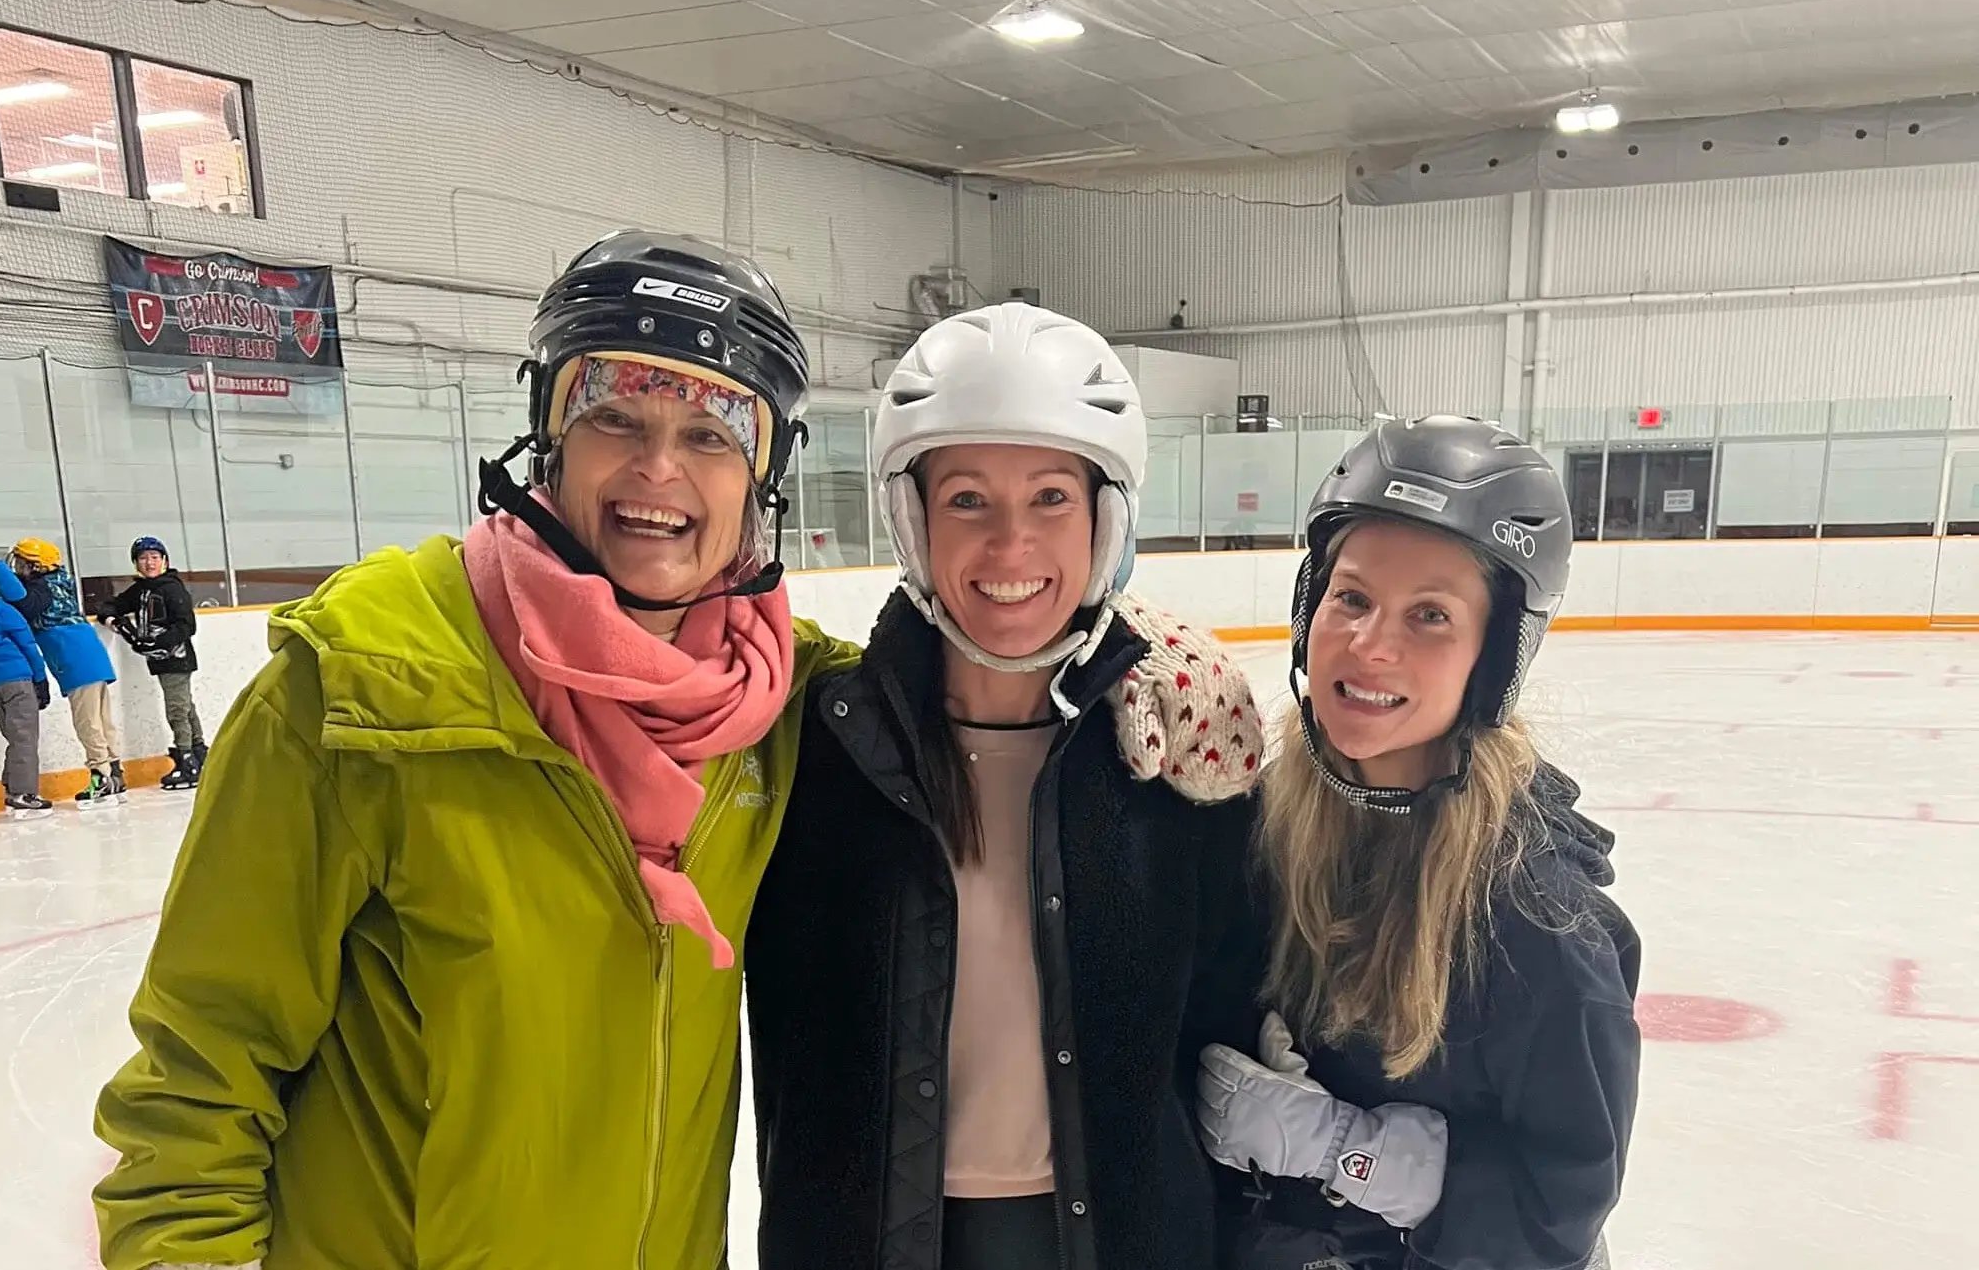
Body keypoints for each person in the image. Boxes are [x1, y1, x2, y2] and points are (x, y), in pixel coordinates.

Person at [92, 231, 858, 1270]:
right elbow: (204, 1055)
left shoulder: (787, 707)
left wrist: (1139, 664)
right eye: (613, 417)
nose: (658, 467)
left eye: (711, 434)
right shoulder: (359, 687)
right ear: (548, 436)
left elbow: (985, 715)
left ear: (765, 474)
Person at [746, 301, 1267, 1270]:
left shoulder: (1173, 757)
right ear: (915, 518)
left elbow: (1227, 1024)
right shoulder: (821, 750)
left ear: (1105, 514)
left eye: (1050, 498)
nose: (1010, 545)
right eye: (967, 500)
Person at [1194, 416, 1642, 1270]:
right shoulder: (1259, 828)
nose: (1370, 646)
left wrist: (1349, 1153)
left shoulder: (1537, 923)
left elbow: (1558, 1215)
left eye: (1430, 615)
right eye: (1351, 597)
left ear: (1491, 657)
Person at [6, 537, 125, 804]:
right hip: (90, 654)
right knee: (102, 719)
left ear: (36, 567)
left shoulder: (42, 588)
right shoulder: (60, 581)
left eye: (23, 563)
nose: (18, 568)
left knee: (88, 722)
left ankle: (101, 776)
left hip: (74, 658)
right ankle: (115, 772)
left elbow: (26, 607)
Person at [98, 537, 205, 790]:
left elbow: (187, 625)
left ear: (165, 561)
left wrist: (160, 644)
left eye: (155, 558)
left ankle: (187, 759)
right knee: (185, 706)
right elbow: (109, 605)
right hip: (161, 662)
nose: (149, 563)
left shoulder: (172, 588)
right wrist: (116, 623)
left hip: (177, 659)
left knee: (177, 710)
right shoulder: (142, 590)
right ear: (136, 563)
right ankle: (199, 752)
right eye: (144, 558)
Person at [0, 553, 53, 815]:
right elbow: (28, 646)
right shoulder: (3, 610)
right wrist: (40, 679)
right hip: (17, 680)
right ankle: (23, 793)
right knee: (24, 738)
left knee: (15, 736)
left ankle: (12, 785)